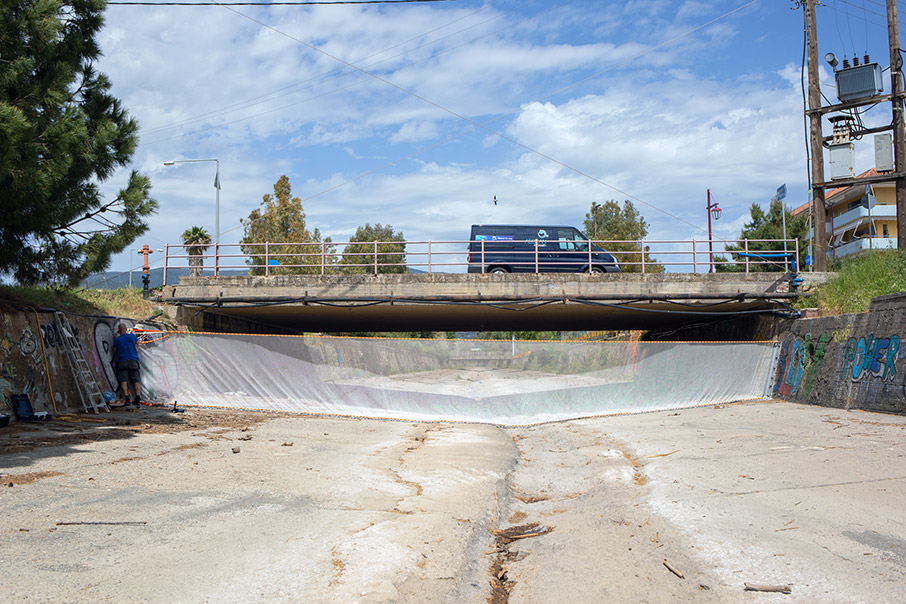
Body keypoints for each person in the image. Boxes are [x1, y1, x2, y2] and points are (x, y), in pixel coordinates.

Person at [112, 323, 142, 407]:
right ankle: (137, 398)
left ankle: (127, 399)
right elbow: (138, 342)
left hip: (122, 361)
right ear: (126, 329)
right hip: (133, 360)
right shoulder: (132, 336)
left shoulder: (117, 339)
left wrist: (114, 338)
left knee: (123, 380)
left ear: (118, 330)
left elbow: (114, 349)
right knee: (136, 380)